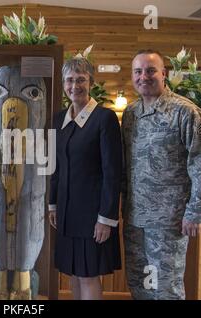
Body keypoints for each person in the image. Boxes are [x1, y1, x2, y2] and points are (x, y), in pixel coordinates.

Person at [121, 49, 201, 300]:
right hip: (135, 219)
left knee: (166, 288)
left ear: (163, 74)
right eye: (138, 71)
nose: (143, 76)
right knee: (140, 285)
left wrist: (194, 212)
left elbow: (199, 163)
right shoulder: (130, 114)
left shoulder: (185, 112)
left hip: (169, 222)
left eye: (150, 70)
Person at [48, 57, 122, 300]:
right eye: (69, 80)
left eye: (81, 79)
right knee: (74, 274)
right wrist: (53, 204)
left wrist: (106, 218)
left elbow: (113, 172)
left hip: (93, 216)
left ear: (91, 82)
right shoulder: (59, 120)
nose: (74, 85)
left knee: (89, 275)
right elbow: (56, 166)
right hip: (67, 213)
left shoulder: (105, 119)